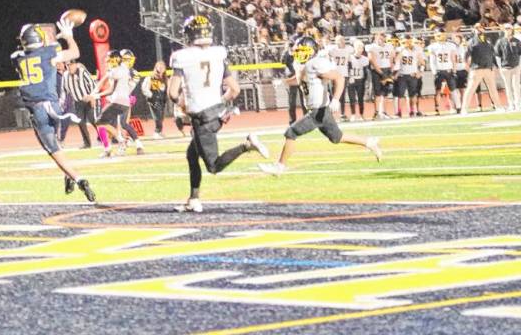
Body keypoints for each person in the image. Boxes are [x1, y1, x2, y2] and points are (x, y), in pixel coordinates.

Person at [167, 15, 270, 213]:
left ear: (189, 34)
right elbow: (235, 89)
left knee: (213, 166)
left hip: (202, 118)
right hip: (218, 112)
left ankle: (247, 145)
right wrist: (220, 103)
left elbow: (172, 93)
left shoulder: (181, 56)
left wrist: (183, 104)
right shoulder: (218, 53)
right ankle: (194, 198)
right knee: (192, 155)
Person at [259, 37, 382, 177]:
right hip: (320, 110)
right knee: (337, 137)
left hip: (318, 110)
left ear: (312, 51)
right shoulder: (303, 65)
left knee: (291, 133)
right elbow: (298, 80)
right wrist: (282, 82)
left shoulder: (315, 63)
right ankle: (369, 142)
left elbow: (339, 78)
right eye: (299, 51)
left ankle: (279, 166)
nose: (300, 54)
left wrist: (336, 99)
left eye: (303, 51)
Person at [11, 19, 95, 202]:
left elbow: (26, 51)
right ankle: (69, 175)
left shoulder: (17, 58)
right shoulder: (49, 53)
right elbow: (75, 52)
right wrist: (69, 36)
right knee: (57, 143)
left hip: (38, 110)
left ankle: (79, 178)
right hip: (54, 106)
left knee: (53, 150)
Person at [86, 50, 145, 157]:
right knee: (121, 124)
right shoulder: (122, 69)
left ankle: (118, 143)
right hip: (124, 101)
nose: (108, 62)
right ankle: (135, 144)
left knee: (100, 122)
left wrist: (94, 94)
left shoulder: (117, 71)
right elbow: (110, 87)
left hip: (117, 101)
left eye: (110, 60)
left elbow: (105, 84)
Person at [461, 23, 503, 114]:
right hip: (477, 68)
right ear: (474, 30)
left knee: (493, 88)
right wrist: (466, 64)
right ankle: (464, 108)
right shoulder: (471, 41)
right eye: (477, 28)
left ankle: (498, 106)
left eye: (481, 27)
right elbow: (466, 54)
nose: (479, 29)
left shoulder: (488, 40)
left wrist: (495, 66)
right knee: (471, 88)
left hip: (488, 68)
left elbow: (493, 54)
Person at [61, 60, 97, 149]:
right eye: (67, 65)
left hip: (88, 100)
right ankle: (87, 143)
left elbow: (93, 85)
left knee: (94, 120)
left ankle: (105, 138)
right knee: (81, 123)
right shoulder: (65, 75)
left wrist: (92, 97)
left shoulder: (82, 72)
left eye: (71, 65)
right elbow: (64, 90)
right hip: (77, 102)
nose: (70, 67)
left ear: (76, 65)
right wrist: (62, 102)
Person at [427, 30, 462, 114]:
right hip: (439, 71)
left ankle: (458, 107)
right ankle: (437, 108)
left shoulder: (451, 45)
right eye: (438, 35)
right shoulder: (432, 46)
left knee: (453, 90)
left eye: (442, 35)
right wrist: (434, 72)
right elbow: (432, 61)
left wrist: (454, 70)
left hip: (448, 70)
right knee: (438, 90)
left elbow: (453, 58)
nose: (440, 37)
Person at [393, 36, 425, 118]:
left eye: (408, 42)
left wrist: (420, 72)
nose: (407, 44)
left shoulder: (416, 50)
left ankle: (412, 110)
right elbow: (396, 61)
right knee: (401, 95)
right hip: (402, 75)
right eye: (405, 42)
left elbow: (422, 62)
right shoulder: (400, 50)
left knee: (413, 94)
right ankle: (399, 112)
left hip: (412, 74)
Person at [368, 33, 396, 119]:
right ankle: (376, 113)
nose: (379, 39)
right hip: (377, 71)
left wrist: (390, 70)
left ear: (384, 38)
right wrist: (381, 72)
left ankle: (383, 112)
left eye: (381, 38)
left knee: (386, 92)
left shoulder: (389, 46)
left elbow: (391, 59)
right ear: (375, 38)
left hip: (386, 69)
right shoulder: (372, 47)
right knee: (377, 93)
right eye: (378, 38)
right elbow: (372, 60)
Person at [494, 23, 521, 110]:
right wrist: (500, 67)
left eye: (509, 28)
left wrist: (519, 65)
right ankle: (511, 104)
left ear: (511, 30)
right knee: (508, 87)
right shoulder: (500, 41)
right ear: (503, 30)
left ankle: (518, 104)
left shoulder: (517, 41)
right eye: (506, 28)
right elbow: (497, 55)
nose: (507, 30)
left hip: (516, 66)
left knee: (516, 86)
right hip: (505, 68)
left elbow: (520, 54)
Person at [141, 60, 169, 138]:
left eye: (162, 67)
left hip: (162, 99)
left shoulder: (164, 78)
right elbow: (144, 88)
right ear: (156, 67)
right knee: (157, 116)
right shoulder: (151, 77)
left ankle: (159, 131)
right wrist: (151, 96)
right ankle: (156, 132)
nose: (160, 68)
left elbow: (166, 88)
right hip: (153, 99)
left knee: (161, 116)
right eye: (159, 67)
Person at [327, 35, 352, 120]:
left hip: (343, 74)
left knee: (342, 95)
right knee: (333, 95)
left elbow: (350, 61)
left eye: (342, 40)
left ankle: (342, 113)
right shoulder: (332, 49)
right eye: (339, 40)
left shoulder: (348, 49)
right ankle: (332, 114)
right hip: (334, 75)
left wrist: (350, 74)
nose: (341, 42)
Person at [347, 39, 369, 121]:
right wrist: (350, 77)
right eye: (358, 47)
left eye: (361, 47)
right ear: (354, 48)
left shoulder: (365, 59)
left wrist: (365, 81)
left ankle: (361, 114)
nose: (360, 49)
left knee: (360, 98)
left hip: (360, 80)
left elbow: (366, 71)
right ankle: (353, 114)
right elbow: (348, 68)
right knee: (352, 98)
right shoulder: (350, 57)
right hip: (352, 80)